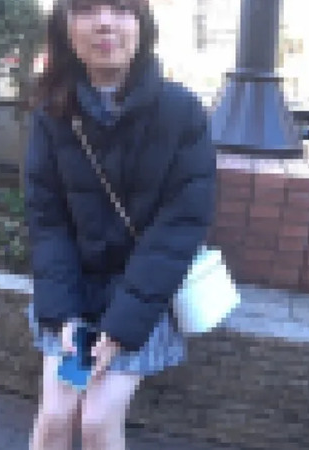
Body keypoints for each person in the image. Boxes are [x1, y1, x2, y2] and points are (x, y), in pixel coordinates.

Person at [24, 0, 216, 449]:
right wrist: (64, 316)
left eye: (122, 8)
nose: (105, 22)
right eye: (88, 8)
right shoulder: (53, 113)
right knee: (55, 415)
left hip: (142, 296)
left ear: (142, 23)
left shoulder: (182, 112)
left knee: (96, 421)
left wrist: (122, 327)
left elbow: (180, 228)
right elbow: (47, 222)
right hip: (73, 293)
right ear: (66, 26)